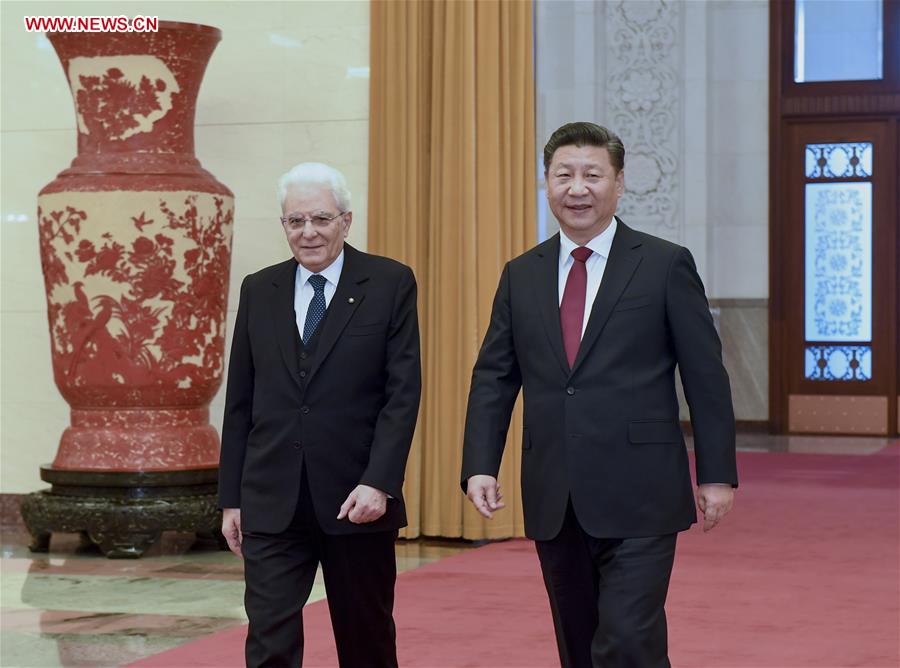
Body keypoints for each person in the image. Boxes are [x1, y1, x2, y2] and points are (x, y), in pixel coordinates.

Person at [461, 122, 738, 668]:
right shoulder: (522, 274)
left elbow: (705, 375)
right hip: (555, 494)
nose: (577, 188)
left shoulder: (663, 263)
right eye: (564, 175)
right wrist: (479, 464)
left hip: (641, 492)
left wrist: (716, 473)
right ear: (546, 184)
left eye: (592, 174)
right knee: (579, 643)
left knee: (627, 641)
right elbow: (494, 375)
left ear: (619, 183)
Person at [218, 162, 421, 668]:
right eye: (295, 221)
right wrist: (232, 498)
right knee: (268, 641)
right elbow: (241, 401)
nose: (308, 232)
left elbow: (402, 394)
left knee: (366, 639)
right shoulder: (258, 289)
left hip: (356, 500)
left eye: (321, 219)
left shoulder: (389, 282)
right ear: (284, 225)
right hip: (271, 499)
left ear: (346, 221)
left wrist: (380, 481)